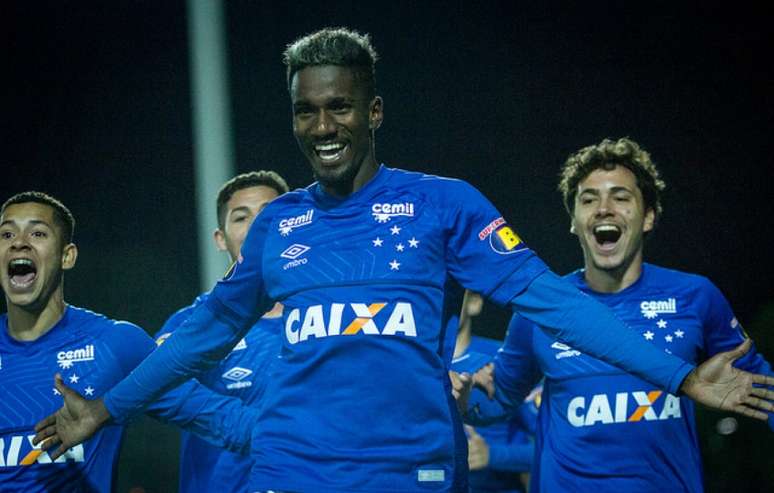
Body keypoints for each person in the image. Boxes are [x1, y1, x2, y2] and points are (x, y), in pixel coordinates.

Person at [35, 29, 774, 493]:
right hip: (295, 470)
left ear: (374, 111)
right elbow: (203, 330)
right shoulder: (279, 225)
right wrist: (104, 409)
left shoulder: (443, 204)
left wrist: (677, 374)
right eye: (306, 110)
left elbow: (554, 300)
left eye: (341, 107)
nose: (323, 126)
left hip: (411, 468)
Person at [464, 138, 774, 492]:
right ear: (573, 221)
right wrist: (458, 396)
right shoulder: (539, 309)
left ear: (649, 217)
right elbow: (497, 400)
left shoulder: (696, 297)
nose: (604, 209)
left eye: (621, 197)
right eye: (588, 199)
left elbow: (761, 386)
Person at [0, 191, 257, 492]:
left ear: (66, 256)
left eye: (37, 232)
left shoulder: (115, 344)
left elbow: (220, 418)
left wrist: (314, 440)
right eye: (6, 233)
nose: (18, 242)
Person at [156, 170, 289, 493]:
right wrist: (249, 428)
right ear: (220, 238)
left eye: (269, 213)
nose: (258, 225)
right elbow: (152, 387)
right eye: (242, 217)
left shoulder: (329, 318)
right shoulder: (191, 324)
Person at [451, 289, 538, 493]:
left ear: (474, 302)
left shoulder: (505, 363)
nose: (440, 306)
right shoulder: (413, 367)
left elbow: (553, 446)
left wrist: (491, 455)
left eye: (450, 296)